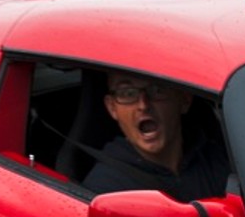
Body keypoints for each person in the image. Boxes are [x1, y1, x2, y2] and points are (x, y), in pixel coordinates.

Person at [84, 71, 231, 201]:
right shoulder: (105, 191)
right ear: (112, 108)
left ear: (185, 99)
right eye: (128, 93)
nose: (143, 104)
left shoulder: (219, 159)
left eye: (157, 90)